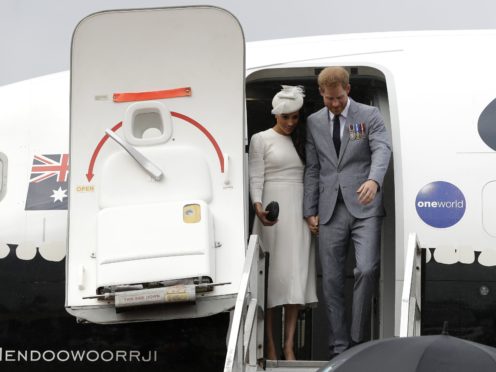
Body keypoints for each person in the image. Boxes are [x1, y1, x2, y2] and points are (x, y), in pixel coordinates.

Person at [303, 67, 391, 358]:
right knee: (330, 280)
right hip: (329, 210)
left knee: (365, 269)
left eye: (339, 97)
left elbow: (382, 150)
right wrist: (310, 209)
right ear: (321, 94)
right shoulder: (314, 122)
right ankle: (339, 347)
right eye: (329, 99)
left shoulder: (369, 116)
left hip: (364, 207)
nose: (335, 104)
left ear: (348, 90)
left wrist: (374, 180)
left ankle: (356, 343)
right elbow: (313, 168)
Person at [249, 85, 317, 361]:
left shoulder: (303, 139)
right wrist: (258, 208)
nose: (290, 122)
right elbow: (256, 176)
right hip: (272, 212)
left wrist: (312, 212)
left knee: (294, 278)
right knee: (272, 280)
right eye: (285, 117)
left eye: (295, 117)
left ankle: (289, 346)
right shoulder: (260, 139)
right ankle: (271, 347)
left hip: (299, 209)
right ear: (276, 114)